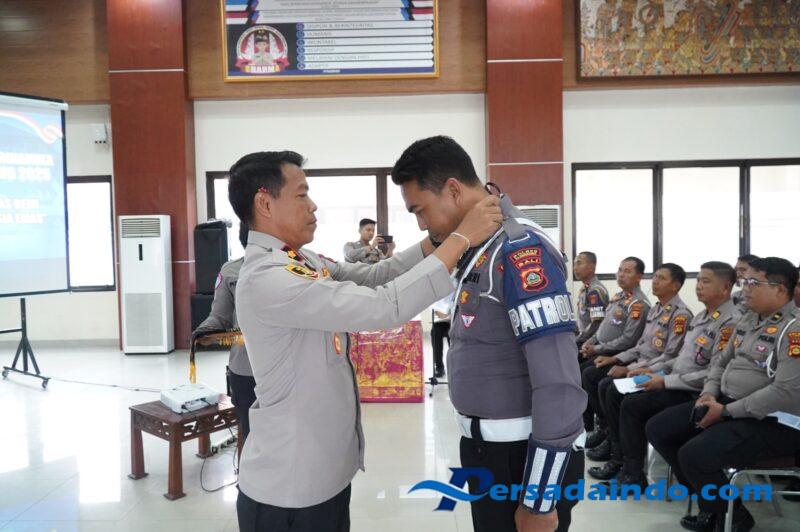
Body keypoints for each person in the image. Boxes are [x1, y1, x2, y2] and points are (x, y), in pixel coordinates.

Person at [228, 150, 502, 532]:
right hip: (289, 487)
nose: (313, 205)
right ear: (265, 203)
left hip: (323, 474)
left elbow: (375, 276)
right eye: (302, 194)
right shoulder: (267, 277)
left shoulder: (301, 260)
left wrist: (436, 240)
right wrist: (460, 239)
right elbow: (382, 306)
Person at [392, 136, 587, 532]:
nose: (421, 224)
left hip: (521, 460)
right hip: (489, 451)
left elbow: (559, 382)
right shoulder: (482, 246)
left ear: (452, 189)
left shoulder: (520, 251)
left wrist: (539, 500)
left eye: (420, 210)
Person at [646, 257, 800, 532]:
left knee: (695, 453)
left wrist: (726, 412)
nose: (745, 288)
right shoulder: (748, 320)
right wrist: (708, 394)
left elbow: (785, 392)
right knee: (660, 428)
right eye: (745, 282)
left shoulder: (793, 330)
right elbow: (720, 363)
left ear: (779, 289)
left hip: (773, 420)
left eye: (754, 283)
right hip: (727, 404)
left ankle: (734, 516)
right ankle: (710, 501)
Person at [589, 262, 740, 489]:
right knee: (613, 388)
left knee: (630, 404)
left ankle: (631, 472)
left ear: (726, 287)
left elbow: (714, 372)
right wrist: (648, 371)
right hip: (674, 379)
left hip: (694, 391)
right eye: (698, 280)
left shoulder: (729, 323)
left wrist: (663, 380)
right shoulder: (701, 316)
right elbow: (677, 360)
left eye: (705, 281)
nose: (698, 286)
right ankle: (619, 457)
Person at [586, 263, 693, 468]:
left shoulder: (681, 315)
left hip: (659, 371)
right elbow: (640, 347)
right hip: (640, 364)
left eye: (662, 278)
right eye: (655, 277)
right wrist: (616, 359)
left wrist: (630, 368)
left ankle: (624, 458)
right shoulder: (656, 310)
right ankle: (613, 441)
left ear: (676, 285)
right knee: (600, 380)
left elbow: (669, 356)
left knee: (611, 389)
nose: (655, 281)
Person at [191, 222, 256, 445]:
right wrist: (205, 331)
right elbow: (219, 316)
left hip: (289, 370)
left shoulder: (295, 267)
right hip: (245, 369)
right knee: (250, 435)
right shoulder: (231, 271)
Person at [579, 257, 651, 447]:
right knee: (582, 370)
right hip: (604, 350)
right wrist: (589, 342)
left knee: (590, 375)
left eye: (627, 271)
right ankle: (601, 426)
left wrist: (597, 349)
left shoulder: (639, 304)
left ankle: (607, 430)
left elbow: (629, 339)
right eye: (620, 270)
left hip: (622, 356)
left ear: (639, 276)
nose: (621, 275)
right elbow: (602, 327)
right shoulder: (618, 297)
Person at [574, 251, 610, 350]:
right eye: (574, 264)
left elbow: (596, 323)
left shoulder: (595, 290)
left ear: (591, 267)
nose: (575, 268)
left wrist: (577, 341)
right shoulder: (585, 288)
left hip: (590, 344)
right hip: (583, 338)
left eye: (579, 263)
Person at [431, 294, 452, 378]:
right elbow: (435, 309)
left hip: (452, 321)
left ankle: (454, 365)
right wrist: (444, 315)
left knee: (454, 339)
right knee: (435, 334)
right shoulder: (435, 291)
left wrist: (448, 315)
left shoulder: (455, 288)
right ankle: (439, 367)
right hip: (439, 322)